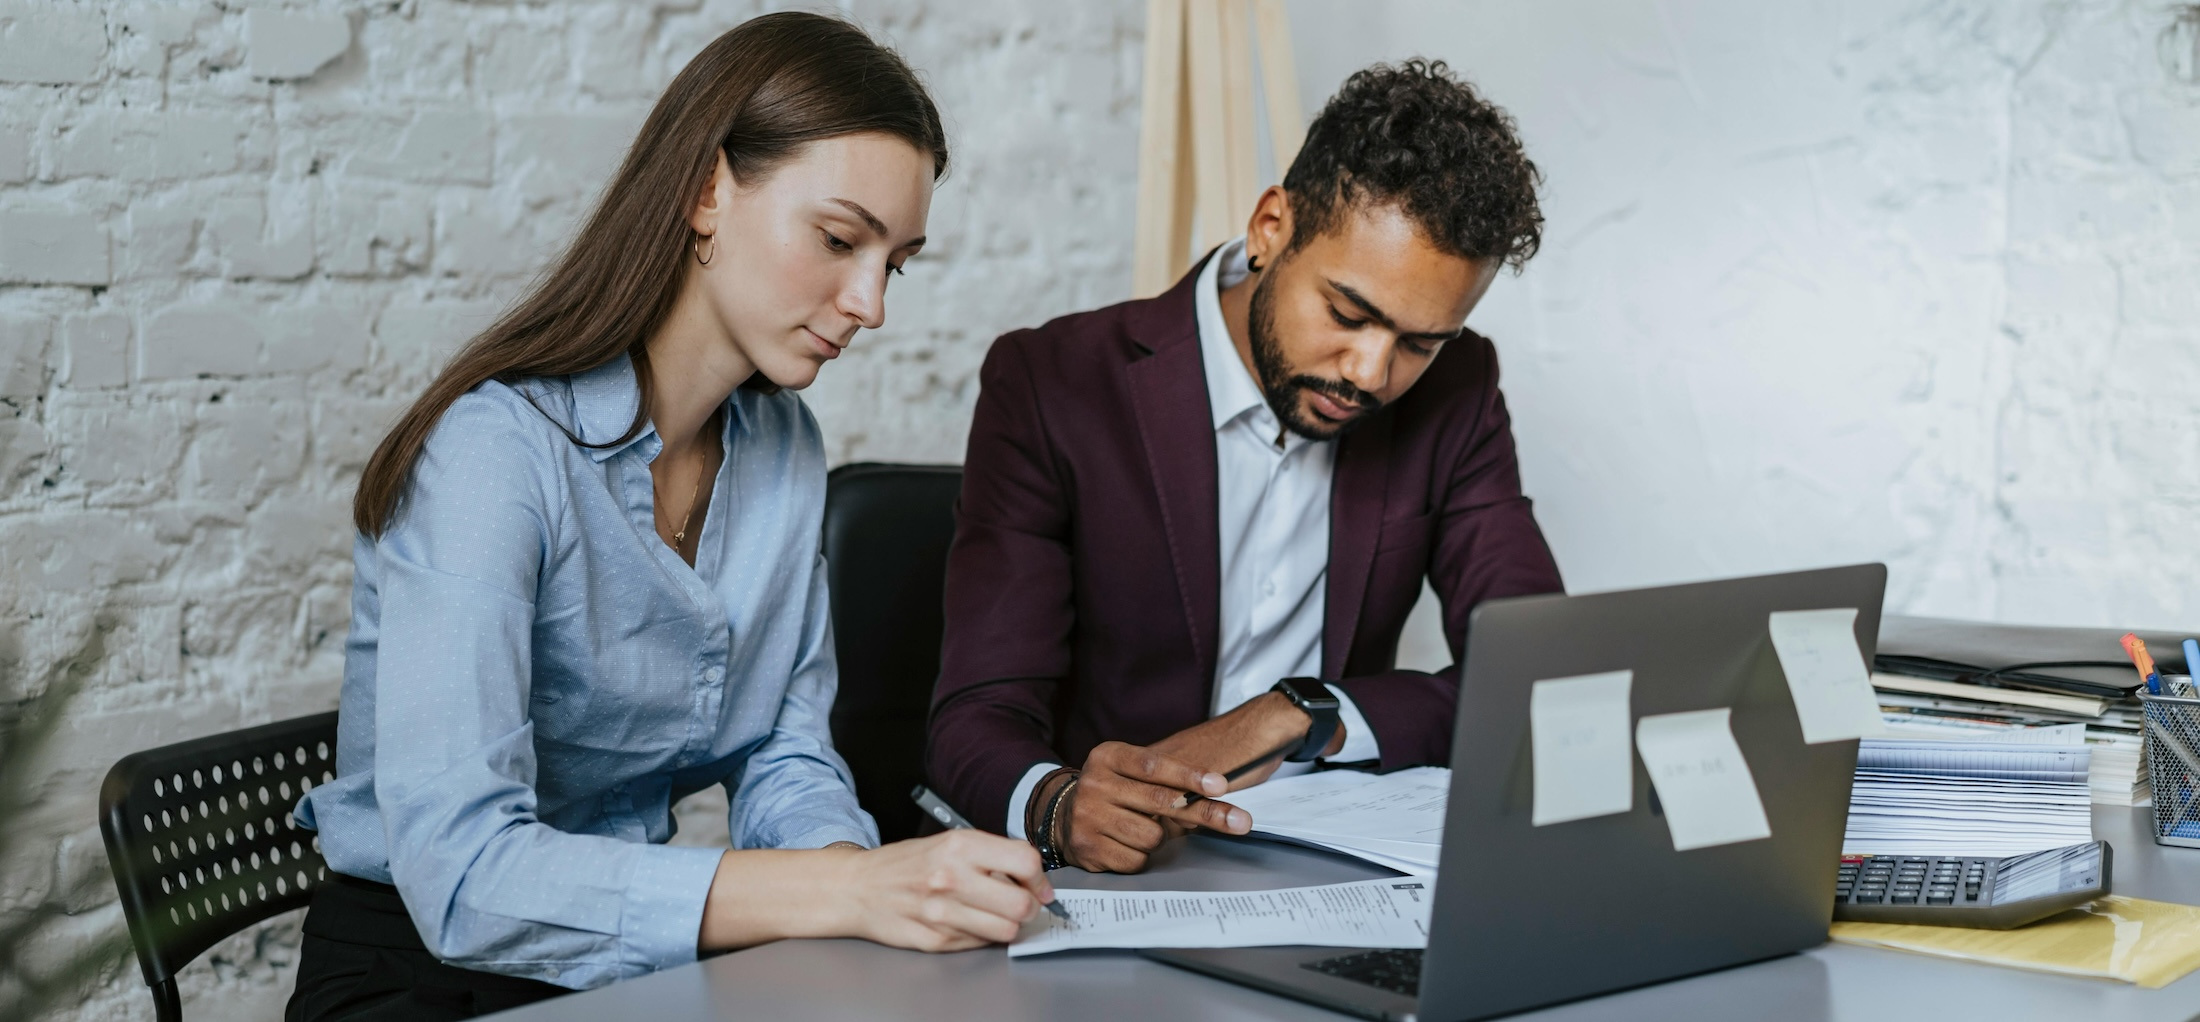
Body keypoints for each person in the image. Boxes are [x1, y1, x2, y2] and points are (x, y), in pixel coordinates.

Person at [289, 14, 1051, 1020]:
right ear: (706, 191)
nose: (870, 302)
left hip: (626, 965)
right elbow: (465, 876)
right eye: (837, 239)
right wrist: (845, 890)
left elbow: (782, 747)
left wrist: (861, 894)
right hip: (421, 971)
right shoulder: (492, 453)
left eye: (894, 262)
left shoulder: (783, 448)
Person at [926, 60, 1566, 873]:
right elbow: (974, 716)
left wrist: (1305, 713)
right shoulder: (1056, 383)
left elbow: (1537, 673)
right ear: (1271, 227)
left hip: (1329, 861)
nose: (1371, 373)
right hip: (1111, 876)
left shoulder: (1460, 391)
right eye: (1347, 312)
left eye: (1419, 343)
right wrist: (1058, 804)